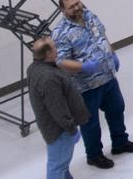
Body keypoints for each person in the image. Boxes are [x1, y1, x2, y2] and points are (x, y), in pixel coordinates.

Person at [52, 0, 133, 169]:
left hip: (108, 77)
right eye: (71, 6)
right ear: (63, 10)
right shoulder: (61, 33)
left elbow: (102, 35)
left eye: (77, 3)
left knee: (117, 109)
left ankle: (120, 142)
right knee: (90, 123)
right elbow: (61, 62)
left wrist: (113, 53)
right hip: (86, 87)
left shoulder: (89, 15)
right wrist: (83, 67)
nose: (77, 7)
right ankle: (94, 155)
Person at [28, 37, 90, 179]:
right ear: (49, 54)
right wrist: (72, 129)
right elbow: (58, 108)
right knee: (57, 166)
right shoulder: (49, 78)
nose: (57, 49)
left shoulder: (34, 68)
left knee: (62, 163)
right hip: (60, 130)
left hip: (53, 127)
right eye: (55, 47)